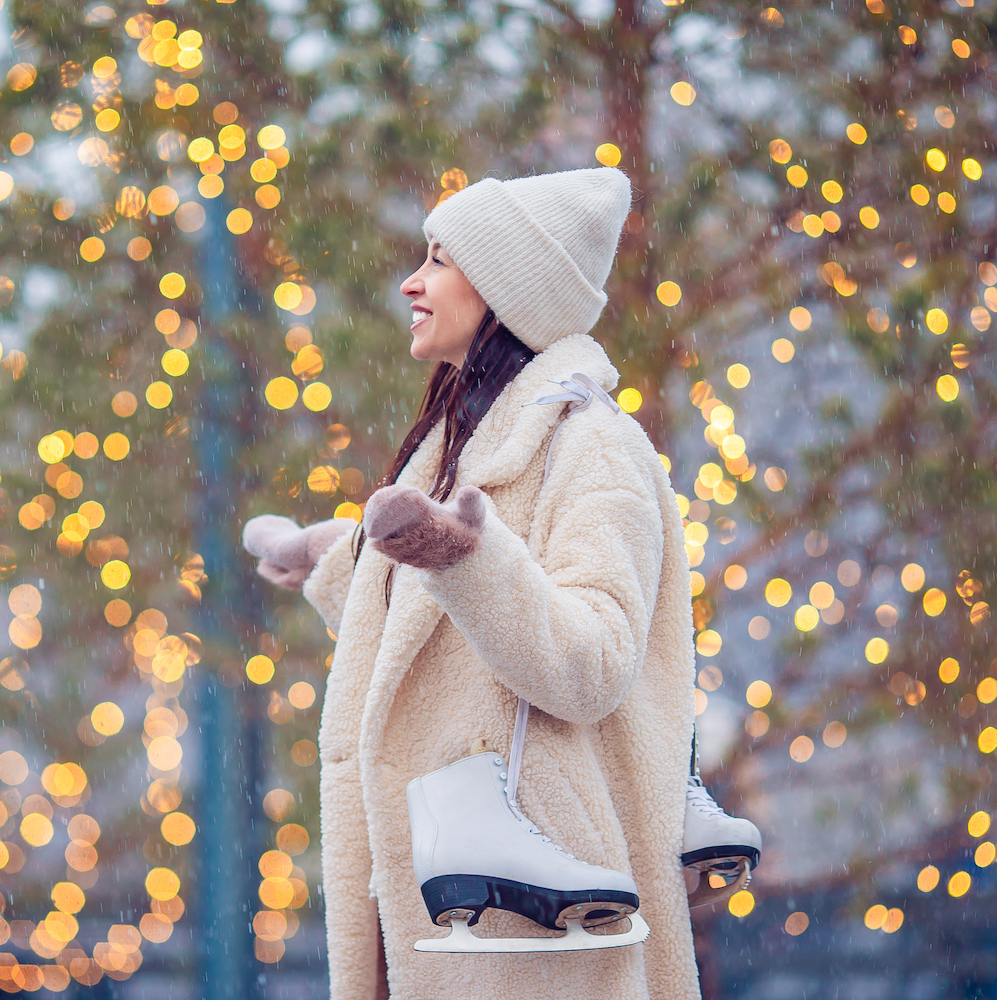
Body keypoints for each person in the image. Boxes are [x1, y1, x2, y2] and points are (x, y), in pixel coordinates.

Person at [242, 167, 701, 1000]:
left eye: (441, 261)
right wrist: (333, 560)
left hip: (531, 923)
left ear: (505, 290)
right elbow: (436, 632)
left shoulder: (594, 447)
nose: (412, 282)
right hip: (438, 907)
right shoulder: (464, 439)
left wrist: (463, 557)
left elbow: (592, 662)